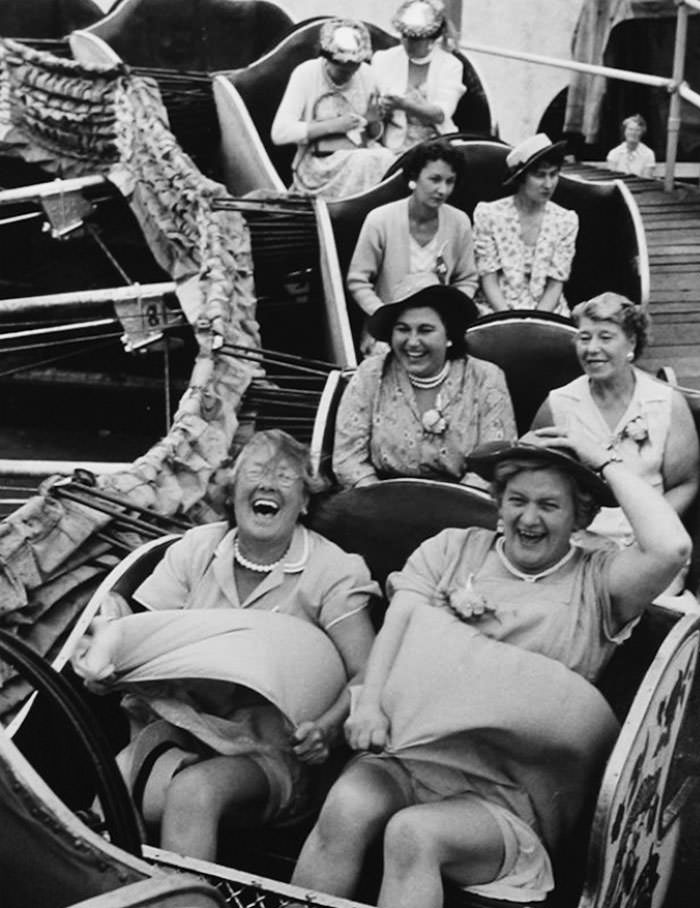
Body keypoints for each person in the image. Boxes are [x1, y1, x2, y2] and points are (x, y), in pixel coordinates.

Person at [291, 429, 691, 906]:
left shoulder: (600, 581)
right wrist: (371, 705)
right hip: (414, 752)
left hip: (510, 790)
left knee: (413, 833)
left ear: (579, 516)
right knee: (346, 805)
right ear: (497, 503)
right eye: (517, 500)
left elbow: (672, 549)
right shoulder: (452, 549)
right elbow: (399, 623)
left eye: (549, 505)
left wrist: (602, 461)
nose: (529, 517)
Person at [72, 429, 378, 862]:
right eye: (255, 470)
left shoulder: (333, 570)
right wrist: (109, 666)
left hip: (274, 753)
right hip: (182, 731)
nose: (268, 483)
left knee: (193, 793)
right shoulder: (196, 548)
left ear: (305, 500)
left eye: (285, 476)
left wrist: (326, 728)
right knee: (111, 787)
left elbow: (368, 671)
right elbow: (144, 637)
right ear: (232, 491)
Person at [531, 292, 698, 595]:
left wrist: (641, 533)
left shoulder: (666, 403)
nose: (592, 349)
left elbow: (685, 483)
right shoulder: (558, 403)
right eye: (584, 338)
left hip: (649, 547)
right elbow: (535, 479)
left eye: (605, 337)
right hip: (574, 545)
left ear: (631, 342)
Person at [333, 272, 516, 489]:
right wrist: (377, 501)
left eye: (425, 330)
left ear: (449, 336)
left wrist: (453, 509)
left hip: (465, 506)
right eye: (402, 329)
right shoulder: (371, 375)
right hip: (380, 502)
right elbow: (347, 457)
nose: (412, 342)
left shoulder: (486, 378)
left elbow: (495, 460)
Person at [347, 139, 478, 320]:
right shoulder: (380, 219)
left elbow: (467, 279)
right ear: (414, 177)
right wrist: (382, 316)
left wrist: (449, 314)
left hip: (440, 326)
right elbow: (358, 280)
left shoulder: (459, 222)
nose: (443, 190)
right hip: (388, 327)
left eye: (450, 182)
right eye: (435, 179)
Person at [270, 18, 395, 199]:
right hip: (319, 161)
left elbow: (372, 134)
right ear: (327, 59)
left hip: (360, 152)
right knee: (363, 161)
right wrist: (334, 125)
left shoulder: (366, 73)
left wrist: (373, 120)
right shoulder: (306, 73)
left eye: (354, 69)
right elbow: (280, 133)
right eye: (343, 71)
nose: (349, 75)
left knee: (387, 158)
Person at [473, 133, 579, 315]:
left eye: (553, 175)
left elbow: (556, 283)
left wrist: (537, 321)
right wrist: (506, 318)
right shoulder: (489, 214)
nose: (548, 184)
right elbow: (488, 278)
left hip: (548, 309)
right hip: (496, 308)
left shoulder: (565, 220)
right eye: (539, 175)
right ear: (521, 178)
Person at [371, 0, 464, 154]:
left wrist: (404, 105)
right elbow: (372, 104)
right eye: (404, 36)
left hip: (436, 142)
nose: (407, 43)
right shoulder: (383, 59)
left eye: (415, 39)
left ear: (431, 38)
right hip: (393, 143)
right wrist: (381, 107)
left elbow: (440, 114)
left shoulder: (450, 65)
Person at [606, 114, 656, 179]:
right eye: (630, 129)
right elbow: (612, 178)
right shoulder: (614, 153)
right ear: (625, 132)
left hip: (641, 187)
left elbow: (647, 179)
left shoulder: (648, 154)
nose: (633, 133)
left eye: (637, 130)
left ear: (642, 133)